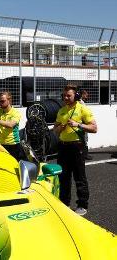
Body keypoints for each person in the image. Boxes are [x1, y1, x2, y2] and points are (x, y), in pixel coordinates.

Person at [54, 84, 97, 216]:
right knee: (63, 177)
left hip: (77, 146)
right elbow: (55, 131)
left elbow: (94, 128)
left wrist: (78, 124)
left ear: (76, 96)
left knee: (79, 177)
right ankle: (64, 203)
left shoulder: (83, 109)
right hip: (63, 146)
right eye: (64, 95)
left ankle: (82, 205)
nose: (65, 97)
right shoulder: (61, 111)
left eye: (69, 95)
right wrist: (59, 128)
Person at [0, 91, 24, 160]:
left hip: (13, 145)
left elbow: (11, 125)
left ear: (9, 100)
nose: (0, 103)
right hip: (1, 145)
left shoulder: (15, 113)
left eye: (2, 101)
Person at [79, 89, 92, 160]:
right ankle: (85, 154)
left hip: (80, 123)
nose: (87, 96)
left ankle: (84, 154)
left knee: (83, 139)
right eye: (86, 94)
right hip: (82, 124)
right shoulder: (81, 102)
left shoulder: (79, 102)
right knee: (84, 139)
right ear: (82, 95)